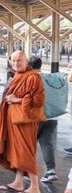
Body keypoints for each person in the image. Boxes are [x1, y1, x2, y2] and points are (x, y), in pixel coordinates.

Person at [0, 50, 46, 193]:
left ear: (26, 62)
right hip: (14, 121)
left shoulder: (32, 77)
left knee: (26, 151)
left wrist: (17, 100)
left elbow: (39, 100)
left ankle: (35, 187)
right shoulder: (18, 75)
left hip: (25, 121)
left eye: (20, 60)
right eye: (14, 61)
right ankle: (18, 182)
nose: (16, 63)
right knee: (17, 150)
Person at [26, 56, 62, 184]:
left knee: (29, 143)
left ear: (28, 66)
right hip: (51, 115)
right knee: (47, 143)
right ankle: (50, 171)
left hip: (36, 116)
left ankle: (27, 171)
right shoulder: (51, 78)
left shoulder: (31, 78)